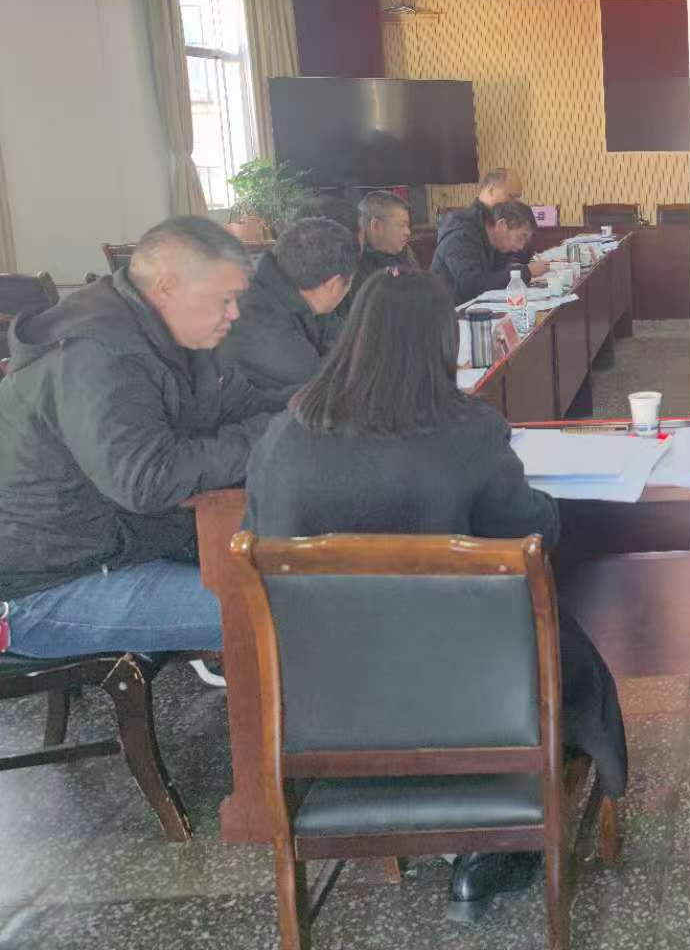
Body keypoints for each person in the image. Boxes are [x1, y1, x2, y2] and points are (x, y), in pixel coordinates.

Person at [246, 270, 628, 912]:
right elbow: (530, 536)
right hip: (472, 700)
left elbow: (258, 541)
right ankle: (496, 834)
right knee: (568, 652)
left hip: (327, 703)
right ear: (442, 345)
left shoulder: (282, 438)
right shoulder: (467, 432)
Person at [0, 217, 275, 658]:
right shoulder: (99, 355)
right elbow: (147, 480)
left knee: (292, 563)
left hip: (124, 544)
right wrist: (271, 435)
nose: (234, 314)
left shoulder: (168, 335)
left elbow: (239, 404)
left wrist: (311, 412)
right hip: (46, 589)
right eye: (224, 300)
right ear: (168, 288)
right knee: (274, 609)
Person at [220, 217, 358, 407]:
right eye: (349, 283)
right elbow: (323, 385)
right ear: (334, 285)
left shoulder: (295, 283)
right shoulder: (254, 316)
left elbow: (350, 341)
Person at [431, 198, 547, 303]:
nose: (521, 246)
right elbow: (473, 286)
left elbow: (497, 274)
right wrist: (525, 272)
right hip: (447, 311)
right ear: (502, 225)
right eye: (521, 237)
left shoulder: (493, 242)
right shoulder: (460, 238)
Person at [350, 190, 420, 294]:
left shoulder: (406, 254)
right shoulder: (355, 267)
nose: (407, 232)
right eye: (401, 225)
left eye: (407, 225)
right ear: (376, 225)